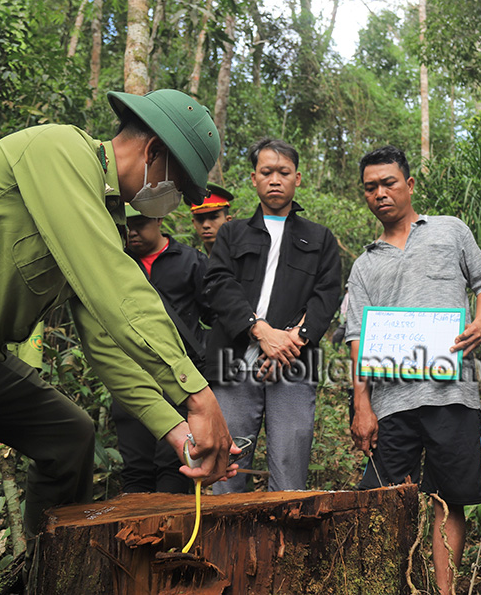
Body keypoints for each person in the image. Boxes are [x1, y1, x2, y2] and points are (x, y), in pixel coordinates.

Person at [0, 88, 239, 594]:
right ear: (153, 150)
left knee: (69, 437)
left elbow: (107, 341)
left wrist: (177, 430)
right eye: (177, 184)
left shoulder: (101, 213)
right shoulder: (58, 152)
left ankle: (44, 572)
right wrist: (198, 396)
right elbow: (114, 285)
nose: (174, 201)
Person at [345, 145, 481, 595]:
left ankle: (445, 591)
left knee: (448, 499)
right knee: (383, 501)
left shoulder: (450, 231)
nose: (380, 193)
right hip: (391, 401)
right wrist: (362, 403)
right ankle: (389, 585)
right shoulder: (364, 263)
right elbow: (357, 337)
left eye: (388, 183)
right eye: (370, 187)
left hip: (451, 394)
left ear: (409, 185)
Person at [204, 137, 341, 493]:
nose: (275, 179)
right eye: (267, 172)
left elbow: (327, 294)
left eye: (283, 172)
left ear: (298, 178)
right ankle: (226, 546)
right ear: (254, 179)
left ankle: (288, 547)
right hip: (233, 363)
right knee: (228, 467)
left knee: (289, 467)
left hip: (294, 366)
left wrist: (294, 340)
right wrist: (260, 331)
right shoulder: (232, 234)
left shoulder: (320, 238)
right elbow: (218, 283)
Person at [111, 205, 215, 494]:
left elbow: (215, 316)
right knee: (135, 469)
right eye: (125, 224)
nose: (132, 231)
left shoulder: (190, 262)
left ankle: (175, 537)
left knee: (175, 466)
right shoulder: (114, 264)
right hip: (131, 380)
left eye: (140, 222)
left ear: (158, 218)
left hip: (180, 384)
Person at [191, 183, 234, 255]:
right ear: (194, 223)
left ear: (228, 220)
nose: (205, 225)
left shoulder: (242, 256)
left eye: (213, 217)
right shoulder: (192, 260)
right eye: (200, 219)